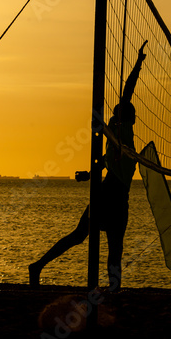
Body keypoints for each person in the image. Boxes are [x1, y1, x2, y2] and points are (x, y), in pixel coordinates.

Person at [29, 41, 148, 290]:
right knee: (101, 243)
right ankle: (39, 266)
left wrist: (88, 174)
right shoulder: (121, 130)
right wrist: (138, 64)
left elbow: (105, 164)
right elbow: (127, 92)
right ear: (128, 117)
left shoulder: (116, 140)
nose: (132, 116)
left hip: (112, 194)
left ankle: (41, 266)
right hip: (109, 196)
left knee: (95, 241)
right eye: (130, 114)